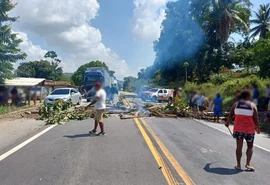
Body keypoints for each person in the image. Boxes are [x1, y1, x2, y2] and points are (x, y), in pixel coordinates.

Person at [226, 90, 260, 171]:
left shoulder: (236, 104)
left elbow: (230, 115)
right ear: (248, 97)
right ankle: (248, 164)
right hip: (249, 130)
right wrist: (258, 128)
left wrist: (227, 123)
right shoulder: (252, 105)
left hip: (238, 130)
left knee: (239, 147)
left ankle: (238, 165)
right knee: (250, 146)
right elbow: (256, 119)